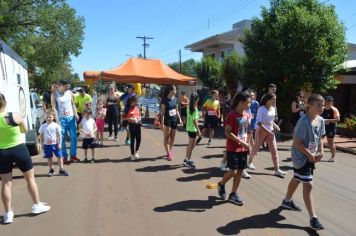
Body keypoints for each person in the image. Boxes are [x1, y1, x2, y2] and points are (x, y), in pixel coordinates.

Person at [0, 93, 50, 224]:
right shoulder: (13, 116)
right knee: (30, 178)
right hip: (18, 149)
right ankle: (36, 205)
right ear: (5, 102)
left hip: (2, 153)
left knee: (6, 182)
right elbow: (25, 130)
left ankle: (8, 214)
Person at [281, 94, 325, 231]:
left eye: (322, 105)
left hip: (310, 156)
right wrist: (309, 155)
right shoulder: (303, 121)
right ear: (309, 106)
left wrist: (321, 151)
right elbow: (297, 143)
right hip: (301, 156)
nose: (321, 107)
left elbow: (320, 138)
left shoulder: (321, 120)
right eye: (319, 105)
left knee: (297, 178)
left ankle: (286, 201)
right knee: (308, 184)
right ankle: (313, 218)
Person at [217, 92, 251, 205]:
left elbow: (246, 132)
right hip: (233, 148)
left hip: (243, 148)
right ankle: (221, 184)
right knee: (233, 172)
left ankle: (233, 194)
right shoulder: (232, 115)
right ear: (241, 103)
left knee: (240, 171)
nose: (249, 105)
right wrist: (242, 143)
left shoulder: (246, 114)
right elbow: (227, 132)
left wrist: (248, 145)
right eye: (248, 103)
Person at [245, 93, 287, 178]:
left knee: (274, 150)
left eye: (275, 99)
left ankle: (277, 170)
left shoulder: (273, 109)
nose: (275, 101)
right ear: (268, 100)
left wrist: (276, 126)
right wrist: (267, 131)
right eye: (273, 99)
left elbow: (270, 121)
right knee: (256, 148)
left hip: (270, 132)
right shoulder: (261, 109)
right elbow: (259, 123)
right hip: (261, 131)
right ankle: (249, 162)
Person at [51, 79, 80, 164]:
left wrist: (76, 114)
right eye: (66, 86)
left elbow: (73, 104)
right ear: (61, 85)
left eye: (68, 86)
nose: (68, 87)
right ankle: (64, 157)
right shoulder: (54, 94)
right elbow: (53, 108)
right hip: (61, 119)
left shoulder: (70, 93)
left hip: (71, 118)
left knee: (73, 137)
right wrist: (57, 120)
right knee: (61, 138)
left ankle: (73, 156)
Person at [38, 110, 69, 177]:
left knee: (59, 156)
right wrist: (41, 144)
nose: (48, 119)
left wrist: (60, 143)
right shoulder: (43, 126)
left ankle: (61, 169)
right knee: (49, 157)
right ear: (44, 118)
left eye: (50, 117)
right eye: (47, 117)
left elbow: (59, 135)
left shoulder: (56, 125)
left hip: (56, 144)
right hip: (47, 145)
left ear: (53, 117)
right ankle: (51, 169)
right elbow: (41, 135)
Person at [161, 85, 182, 161]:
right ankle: (168, 153)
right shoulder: (164, 100)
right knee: (167, 137)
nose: (176, 91)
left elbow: (176, 110)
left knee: (172, 137)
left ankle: (169, 150)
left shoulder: (176, 99)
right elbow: (162, 113)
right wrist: (162, 122)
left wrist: (180, 119)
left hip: (174, 120)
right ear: (170, 91)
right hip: (167, 121)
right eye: (175, 89)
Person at [184, 93, 201, 168]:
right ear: (197, 99)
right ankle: (187, 160)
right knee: (191, 146)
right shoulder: (195, 109)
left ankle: (187, 158)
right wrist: (198, 131)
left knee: (190, 145)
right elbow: (195, 121)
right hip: (192, 129)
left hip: (189, 128)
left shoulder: (189, 107)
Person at [321, 96, 340, 162]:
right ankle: (318, 154)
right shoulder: (322, 109)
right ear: (325, 102)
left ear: (332, 102)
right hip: (322, 128)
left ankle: (333, 157)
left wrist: (328, 120)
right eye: (328, 101)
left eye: (330, 101)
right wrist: (322, 121)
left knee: (330, 143)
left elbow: (338, 119)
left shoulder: (334, 109)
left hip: (331, 128)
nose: (329, 102)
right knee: (318, 141)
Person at [123, 95, 142, 160]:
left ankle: (136, 151)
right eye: (136, 101)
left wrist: (139, 119)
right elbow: (122, 118)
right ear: (132, 101)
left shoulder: (137, 107)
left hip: (138, 124)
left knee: (139, 139)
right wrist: (130, 118)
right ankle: (132, 154)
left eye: (137, 101)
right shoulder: (127, 108)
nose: (137, 103)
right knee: (132, 140)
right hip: (131, 125)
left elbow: (140, 115)